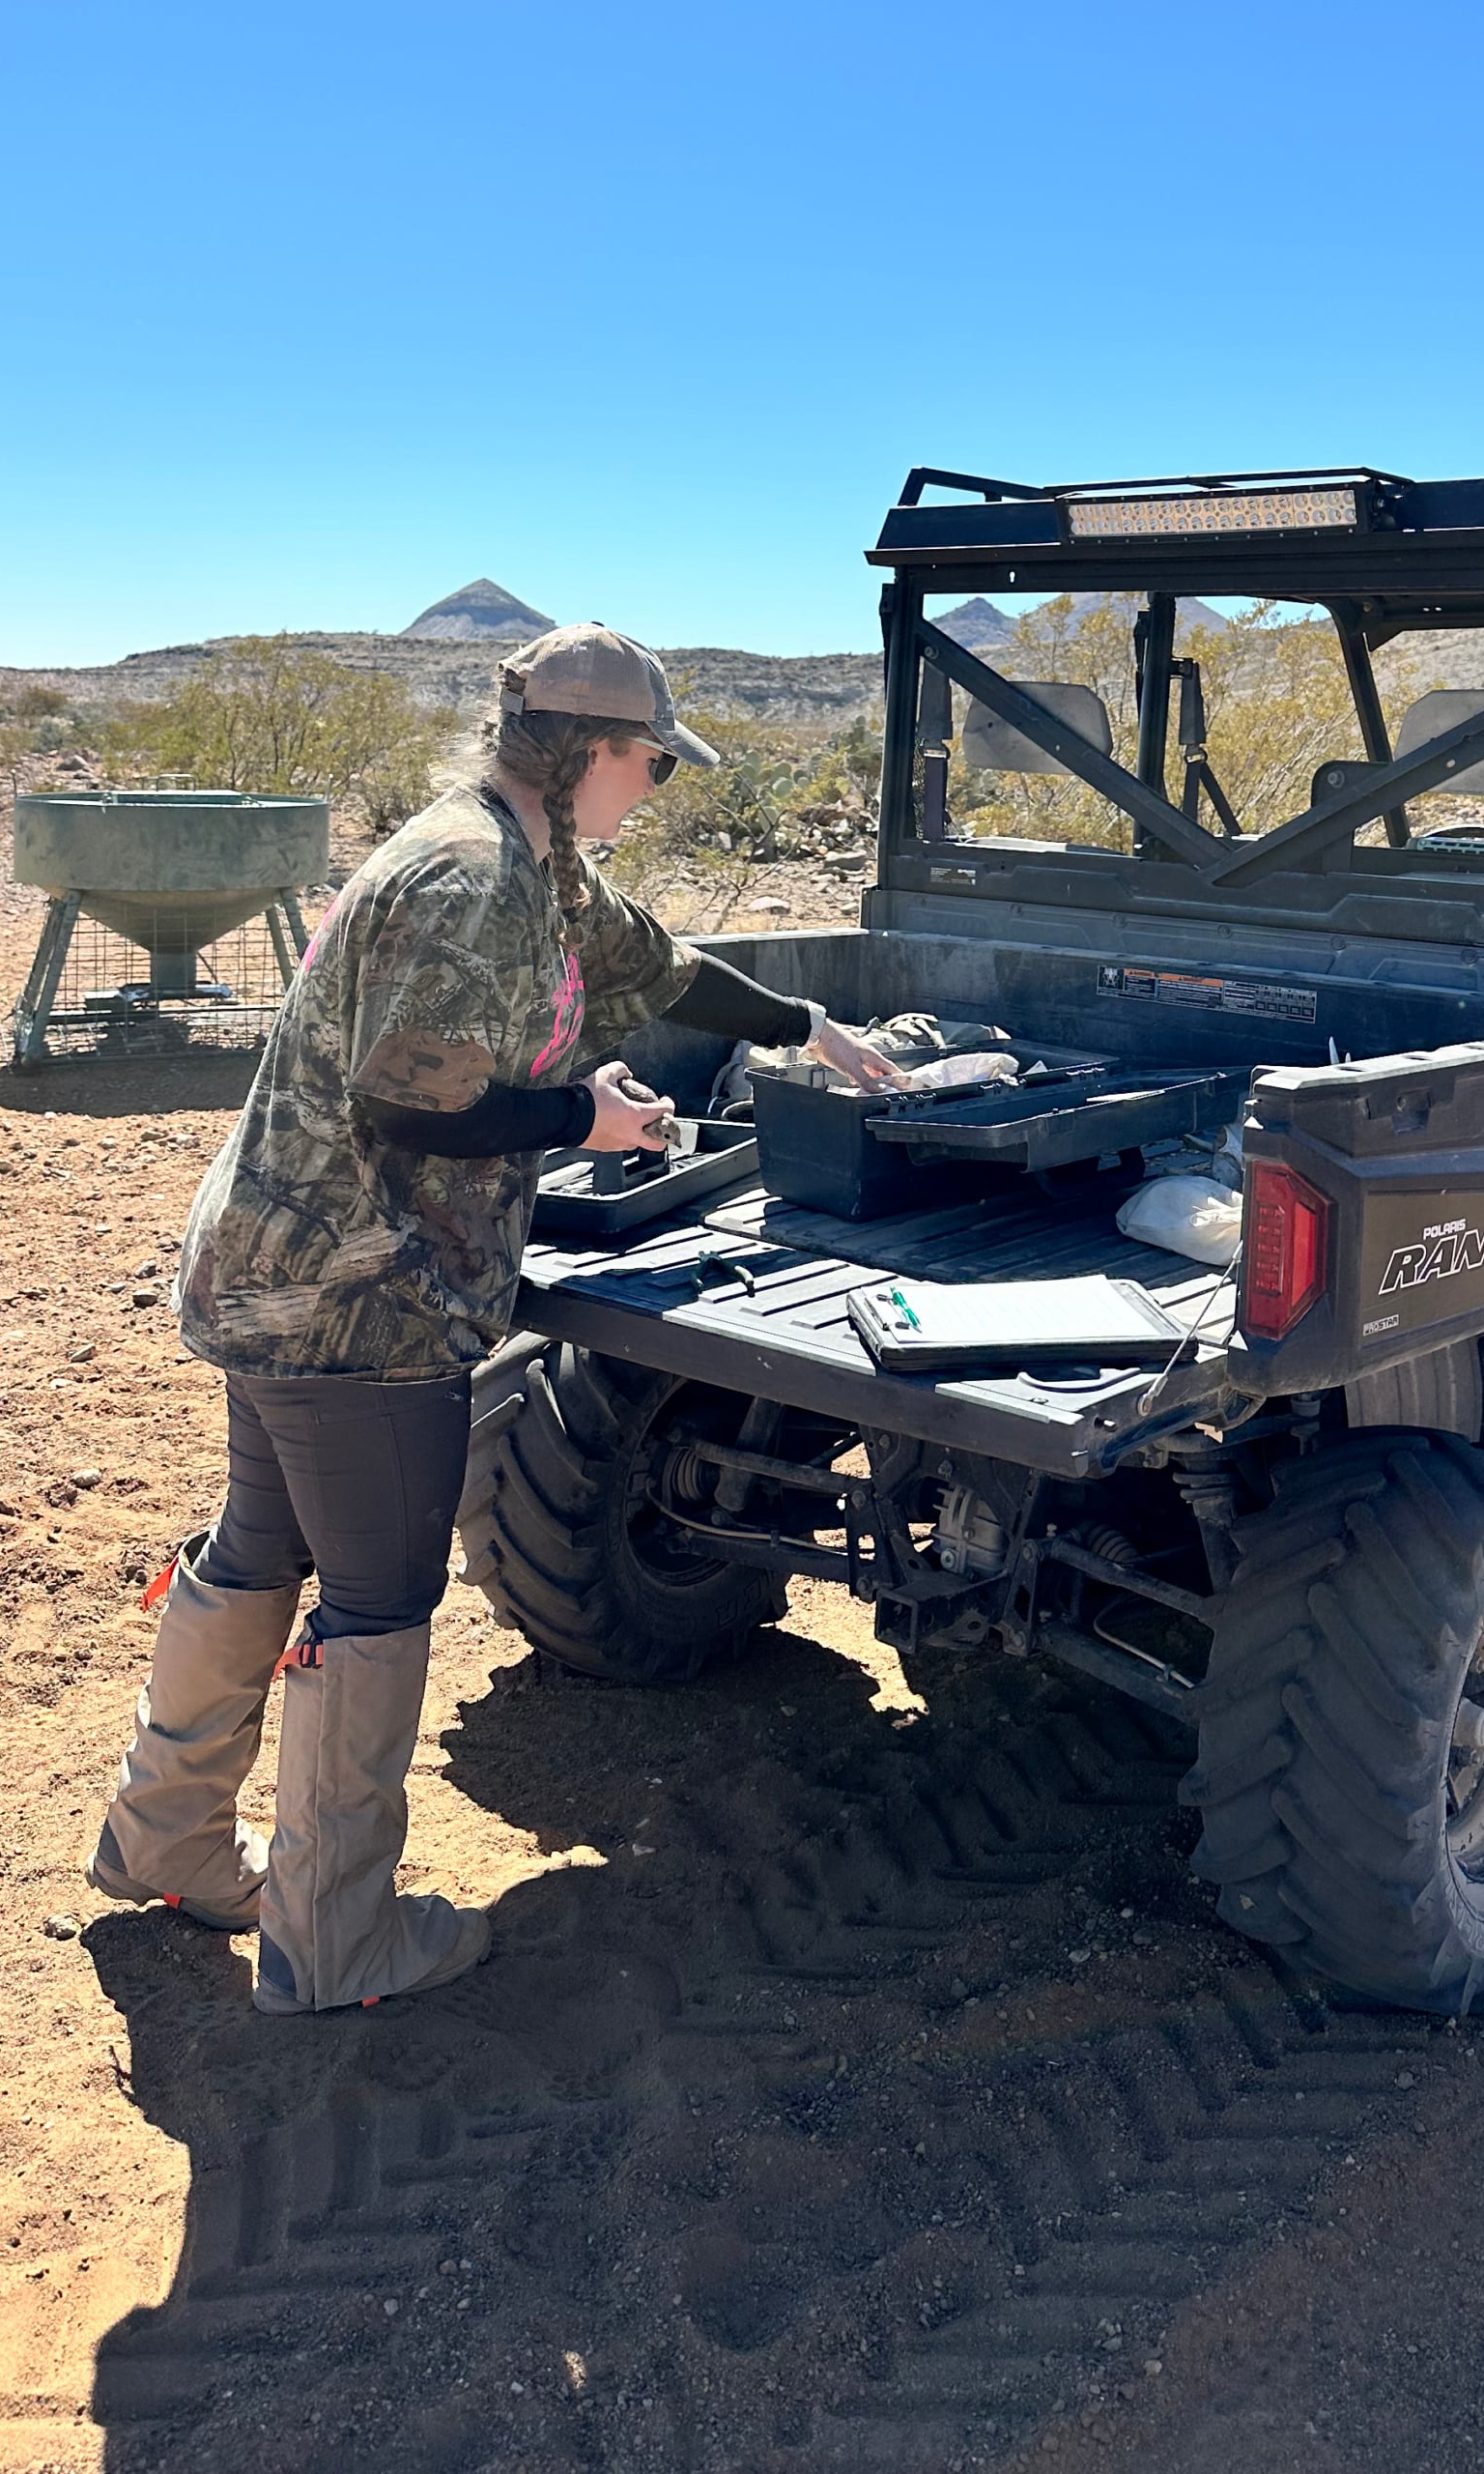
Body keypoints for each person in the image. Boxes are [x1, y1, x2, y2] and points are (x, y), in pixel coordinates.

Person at [84, 623, 902, 2014]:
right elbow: (414, 1101)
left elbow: (656, 963)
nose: (655, 787)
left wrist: (804, 1026)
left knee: (259, 1548)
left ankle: (165, 1841)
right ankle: (334, 1941)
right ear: (589, 752)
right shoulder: (470, 880)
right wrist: (588, 1115)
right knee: (377, 1602)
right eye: (651, 763)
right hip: (361, 1300)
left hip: (283, 1268)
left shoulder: (532, 859)